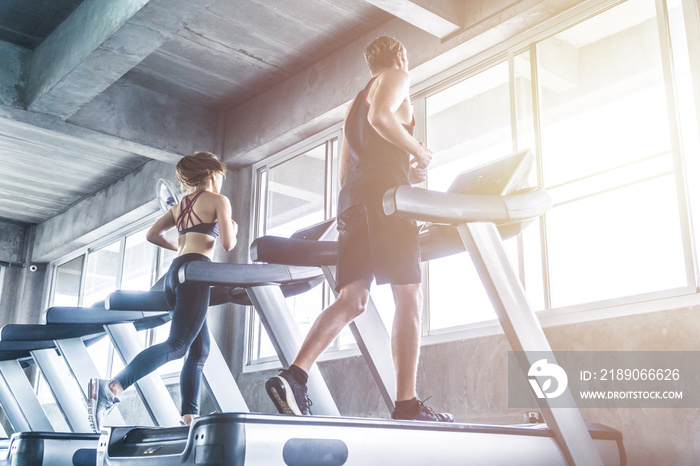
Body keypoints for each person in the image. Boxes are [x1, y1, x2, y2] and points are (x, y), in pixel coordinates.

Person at [265, 36, 453, 422]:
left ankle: (295, 377)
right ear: (401, 55)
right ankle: (407, 405)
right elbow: (381, 117)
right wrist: (418, 152)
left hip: (353, 203)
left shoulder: (353, 103)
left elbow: (344, 174)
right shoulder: (398, 75)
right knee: (409, 297)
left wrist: (407, 169)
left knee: (353, 299)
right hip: (387, 204)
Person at [87, 151, 238, 432]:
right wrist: (233, 229)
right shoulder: (219, 201)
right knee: (178, 345)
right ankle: (113, 386)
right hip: (196, 274)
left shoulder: (181, 205)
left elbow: (152, 234)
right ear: (211, 173)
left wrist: (181, 250)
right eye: (220, 176)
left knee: (199, 348)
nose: (221, 182)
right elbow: (229, 244)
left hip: (174, 274)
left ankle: (188, 420)